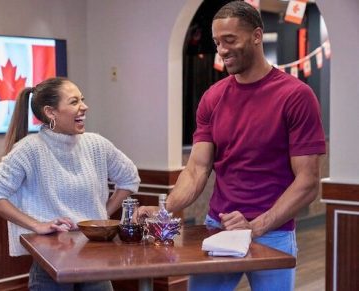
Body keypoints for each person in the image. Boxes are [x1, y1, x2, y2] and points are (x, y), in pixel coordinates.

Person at [139, 1, 326, 290]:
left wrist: (257, 226)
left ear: (256, 36)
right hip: (219, 227)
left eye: (230, 40)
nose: (222, 50)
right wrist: (165, 209)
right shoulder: (212, 98)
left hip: (273, 232)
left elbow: (308, 181)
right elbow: (197, 170)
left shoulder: (296, 96)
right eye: (217, 42)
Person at [0, 77, 140, 291]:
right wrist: (36, 225)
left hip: (96, 260)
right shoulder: (28, 149)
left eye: (82, 100)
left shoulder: (97, 144)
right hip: (50, 265)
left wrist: (100, 216)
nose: (84, 107)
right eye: (74, 102)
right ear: (50, 112)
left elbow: (129, 178)